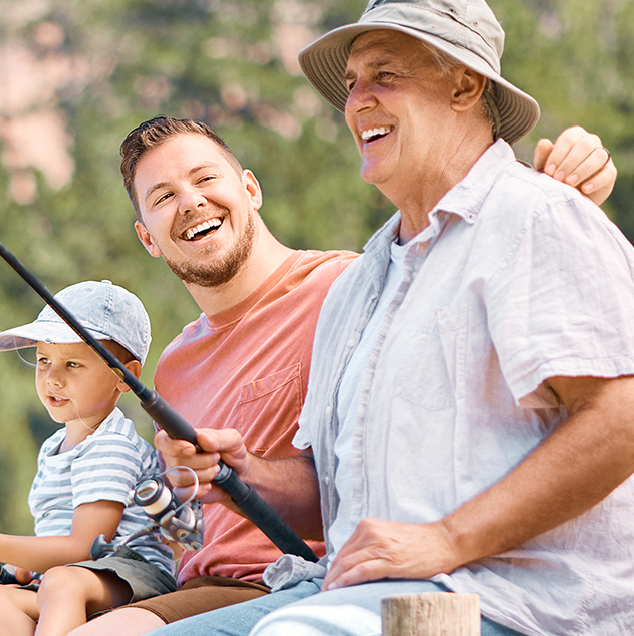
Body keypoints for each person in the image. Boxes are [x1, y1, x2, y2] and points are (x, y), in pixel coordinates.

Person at [139, 1, 634, 635]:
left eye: (384, 76)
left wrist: (448, 540)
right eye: (351, 85)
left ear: (464, 84)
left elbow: (618, 418)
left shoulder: (537, 217)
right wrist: (248, 476)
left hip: (514, 606)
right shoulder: (361, 282)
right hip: (350, 592)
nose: (356, 102)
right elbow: (338, 495)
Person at [0, 280, 176, 636]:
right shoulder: (54, 446)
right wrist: (23, 566)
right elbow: (56, 535)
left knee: (62, 584)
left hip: (128, 573)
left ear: (124, 376)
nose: (52, 378)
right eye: (44, 360)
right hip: (71, 575)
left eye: (73, 365)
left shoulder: (110, 444)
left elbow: (84, 547)